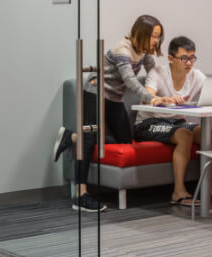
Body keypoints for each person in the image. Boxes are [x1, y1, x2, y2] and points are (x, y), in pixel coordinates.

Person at [53, 15, 167, 212]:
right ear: (142, 33)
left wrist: (167, 97)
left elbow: (154, 74)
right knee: (88, 141)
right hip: (95, 94)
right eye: (153, 36)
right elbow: (131, 81)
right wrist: (151, 98)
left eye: (158, 37)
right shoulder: (122, 50)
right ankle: (80, 196)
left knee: (124, 141)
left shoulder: (144, 53)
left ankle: (71, 136)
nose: (155, 41)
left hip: (114, 99)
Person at [133, 36, 212, 207]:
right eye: (184, 58)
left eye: (192, 58)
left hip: (177, 123)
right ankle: (178, 191)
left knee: (207, 134)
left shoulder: (196, 76)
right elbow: (145, 97)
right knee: (184, 135)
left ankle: (209, 187)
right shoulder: (157, 73)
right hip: (148, 123)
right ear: (171, 59)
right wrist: (166, 98)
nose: (188, 63)